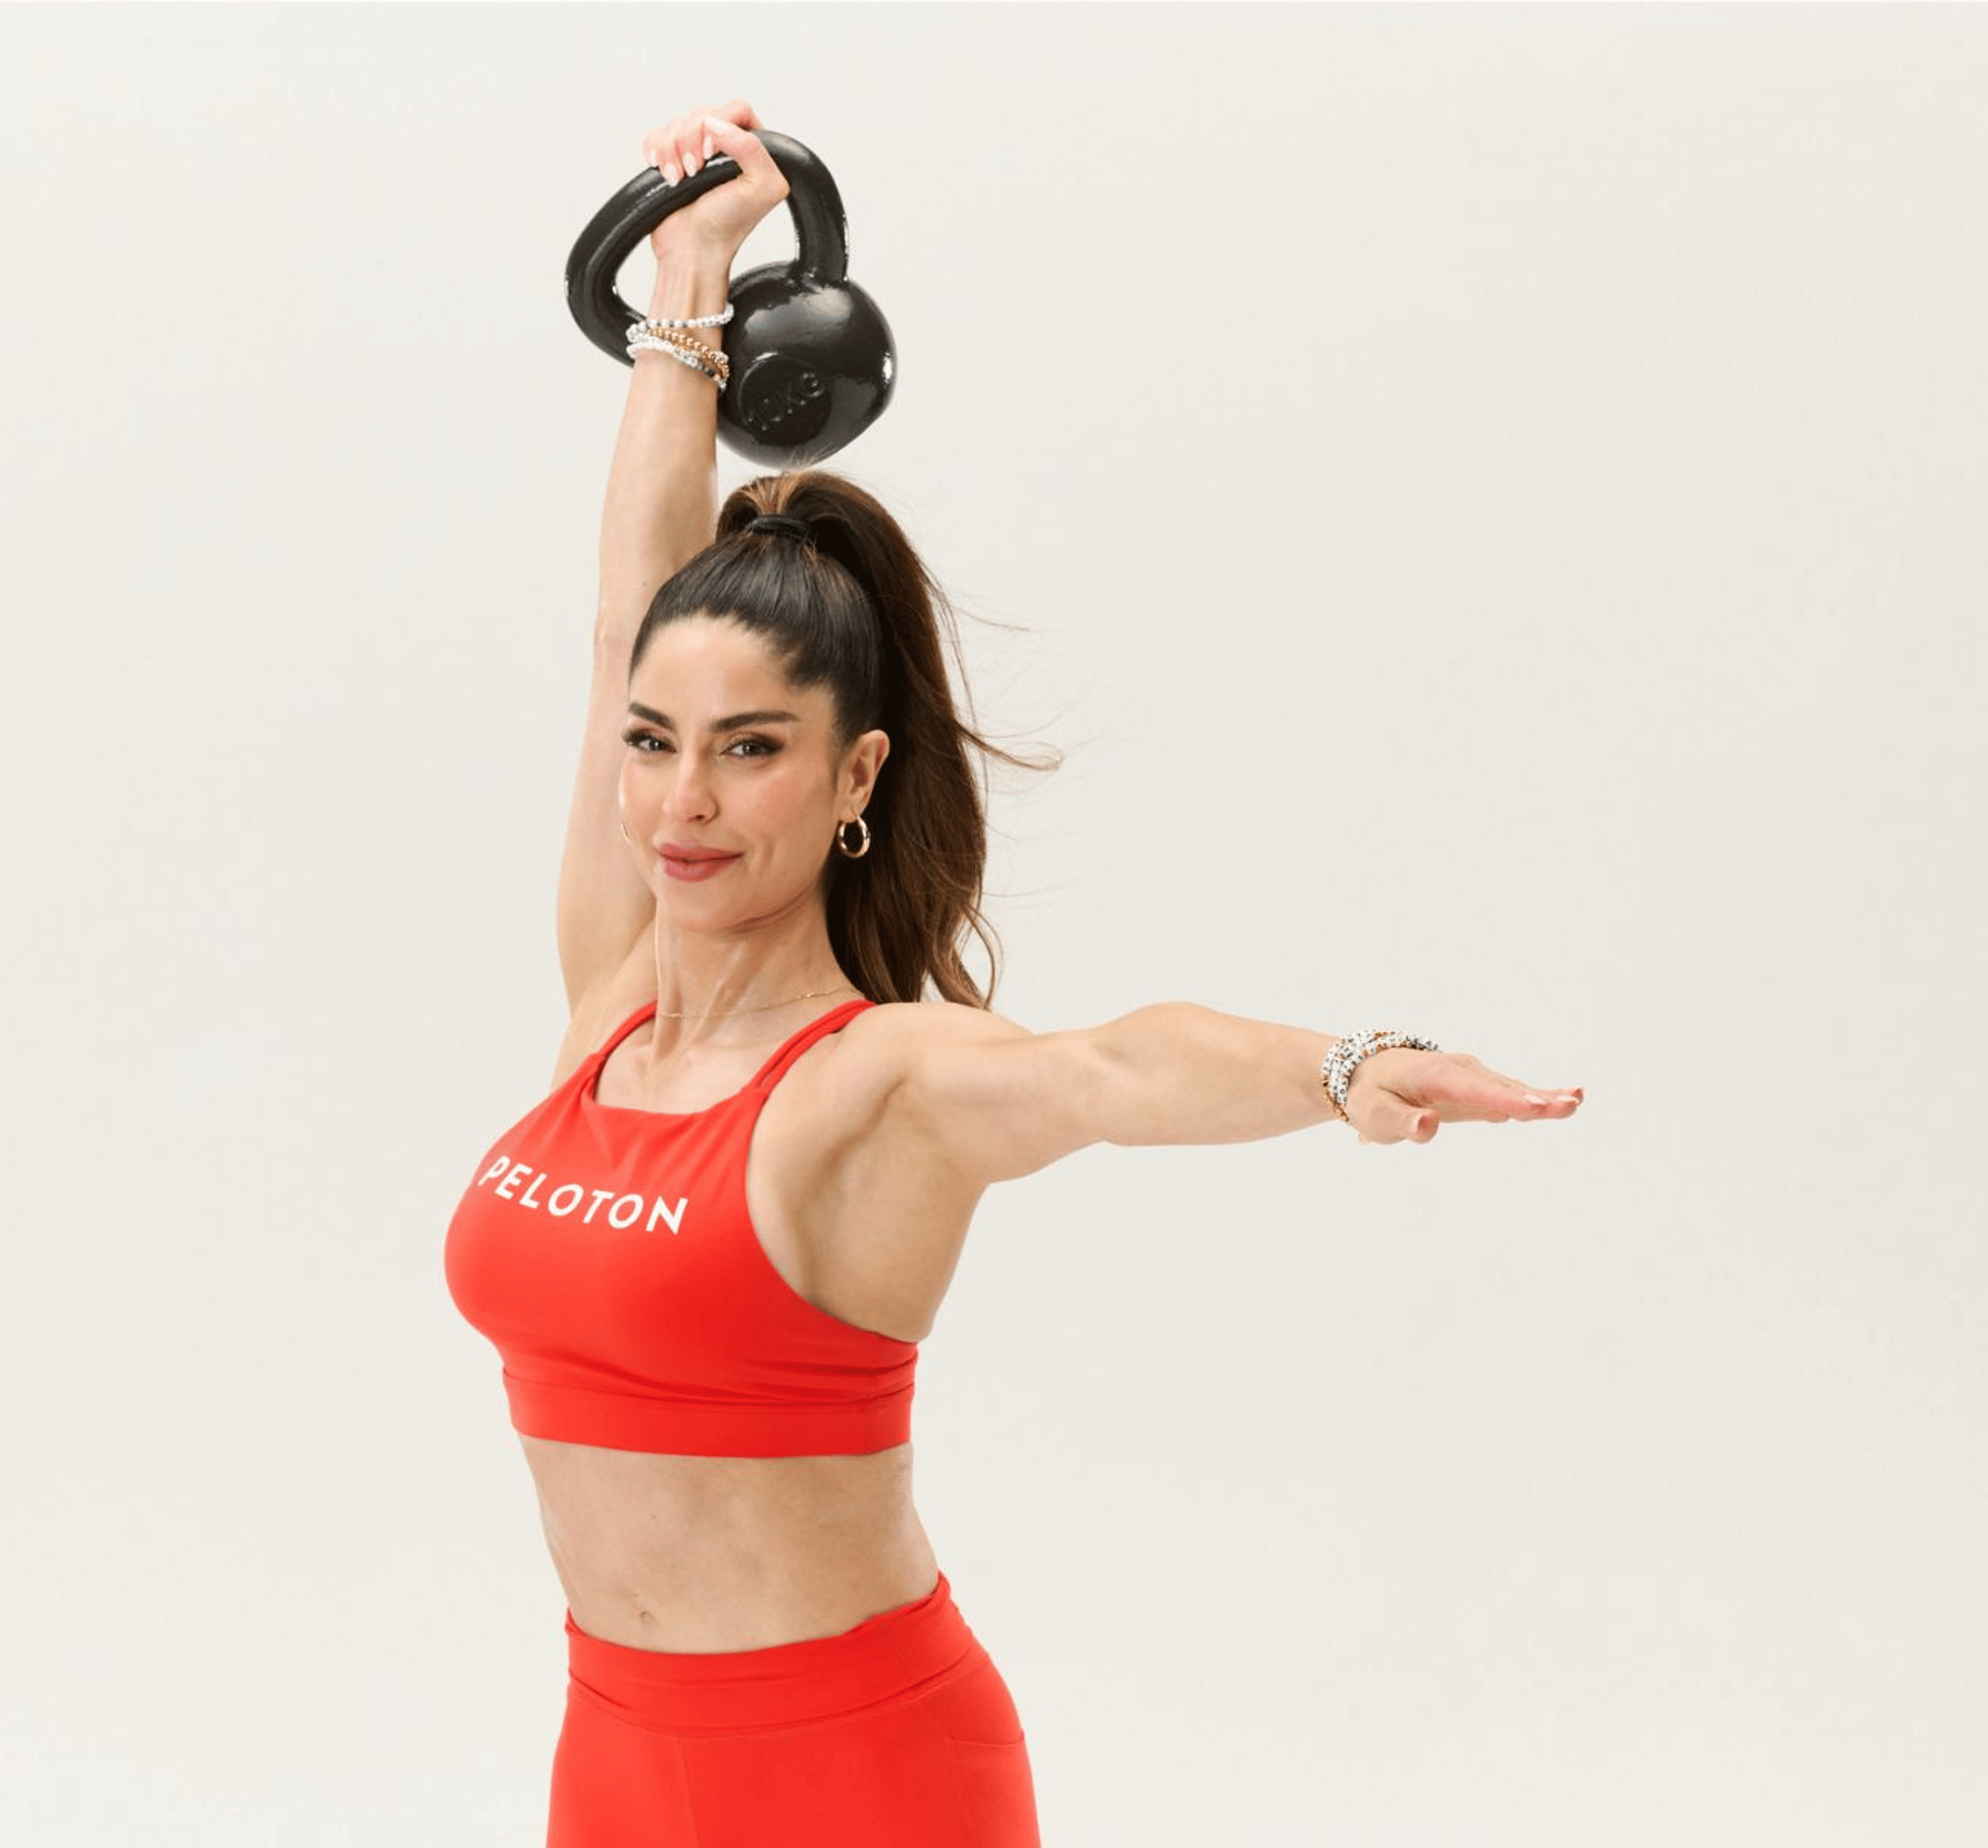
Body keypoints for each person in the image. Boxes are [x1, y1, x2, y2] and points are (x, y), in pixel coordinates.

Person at [443, 99, 1585, 1848]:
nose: (683, 800)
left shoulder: (877, 1076)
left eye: (752, 749)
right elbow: (622, 615)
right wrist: (690, 272)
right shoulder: (608, 1002)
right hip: (610, 1755)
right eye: (657, 744)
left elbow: (1113, 1071)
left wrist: (1342, 1063)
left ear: (856, 779)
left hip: (860, 1771)